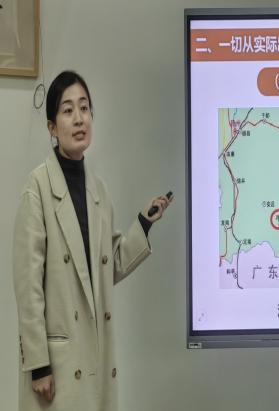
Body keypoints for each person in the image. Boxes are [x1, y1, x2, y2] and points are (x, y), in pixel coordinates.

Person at [12, 71, 173, 411]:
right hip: (57, 364)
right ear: (52, 127)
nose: (79, 118)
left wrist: (143, 224)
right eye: (68, 110)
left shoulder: (98, 190)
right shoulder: (37, 189)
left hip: (94, 357)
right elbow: (28, 286)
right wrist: (37, 364)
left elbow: (105, 267)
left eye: (84, 108)